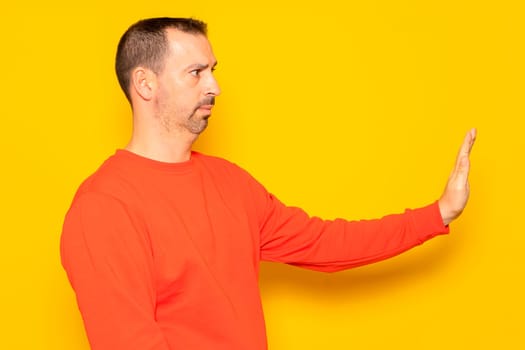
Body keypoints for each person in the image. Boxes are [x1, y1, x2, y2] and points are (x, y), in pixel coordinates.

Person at [60, 17, 476, 350]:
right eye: (196, 72)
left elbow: (327, 243)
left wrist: (439, 212)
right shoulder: (104, 206)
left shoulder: (231, 183)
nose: (215, 86)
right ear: (146, 84)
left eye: (213, 70)